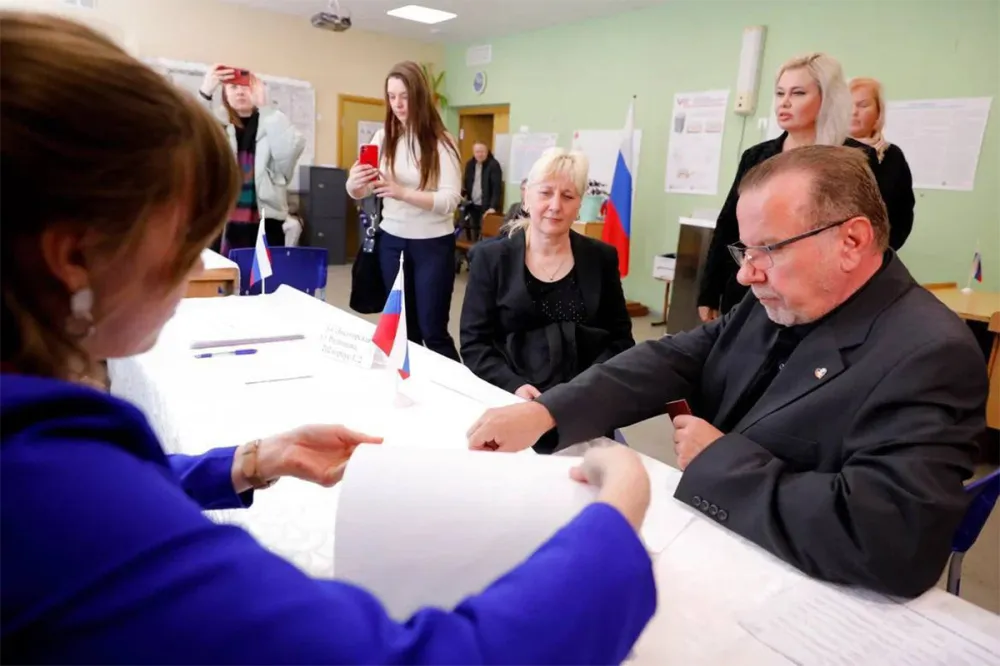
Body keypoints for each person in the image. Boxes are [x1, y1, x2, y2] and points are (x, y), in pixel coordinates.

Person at [0, 13, 660, 663]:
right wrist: (617, 516)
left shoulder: (40, 455)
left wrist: (246, 461)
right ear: (73, 257)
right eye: (180, 237)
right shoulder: (54, 500)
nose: (197, 263)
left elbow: (113, 486)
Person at [466, 145, 988, 599]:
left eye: (769, 249)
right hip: (715, 548)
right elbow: (671, 358)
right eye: (745, 250)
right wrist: (547, 412)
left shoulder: (930, 355)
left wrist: (718, 461)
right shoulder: (774, 298)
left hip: (802, 593)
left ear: (851, 241)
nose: (745, 274)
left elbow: (893, 542)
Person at [460, 149, 634, 452]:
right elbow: (474, 343)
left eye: (567, 196)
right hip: (511, 404)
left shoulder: (601, 258)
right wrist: (513, 385)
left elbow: (621, 340)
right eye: (545, 193)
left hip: (583, 407)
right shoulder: (490, 258)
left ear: (579, 205)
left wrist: (585, 389)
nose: (555, 205)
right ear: (526, 197)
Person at [698, 53, 889, 322]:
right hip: (751, 289)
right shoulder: (757, 156)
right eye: (780, 93)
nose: (784, 102)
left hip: (822, 294)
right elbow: (729, 224)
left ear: (826, 98)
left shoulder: (858, 158)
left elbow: (878, 234)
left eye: (798, 93)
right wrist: (708, 291)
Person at [346, 62, 462, 361]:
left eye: (404, 96)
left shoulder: (442, 142)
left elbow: (450, 200)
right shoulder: (383, 138)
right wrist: (354, 184)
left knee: (433, 330)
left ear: (419, 96)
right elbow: (362, 191)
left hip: (432, 245)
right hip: (391, 241)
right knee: (403, 330)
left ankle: (455, 386)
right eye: (391, 96)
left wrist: (402, 193)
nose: (397, 104)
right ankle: (408, 384)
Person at [198, 64, 305, 254]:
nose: (240, 92)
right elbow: (191, 142)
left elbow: (287, 159)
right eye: (233, 87)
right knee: (223, 270)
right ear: (224, 94)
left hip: (267, 220)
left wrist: (267, 109)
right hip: (221, 220)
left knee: (266, 273)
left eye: (246, 87)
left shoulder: (274, 122)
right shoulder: (214, 125)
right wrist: (205, 93)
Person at [850, 76, 916, 250]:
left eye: (863, 105)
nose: (853, 112)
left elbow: (903, 212)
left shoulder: (892, 155)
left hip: (877, 252)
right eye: (847, 105)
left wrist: (883, 251)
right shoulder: (826, 152)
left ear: (878, 112)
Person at [461, 141, 504, 240]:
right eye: (477, 152)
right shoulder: (470, 164)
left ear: (487, 151)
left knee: (485, 233)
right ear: (473, 152)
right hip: (472, 204)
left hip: (487, 207)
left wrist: (493, 207)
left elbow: (497, 188)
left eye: (482, 151)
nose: (479, 154)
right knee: (473, 231)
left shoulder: (494, 165)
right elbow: (466, 183)